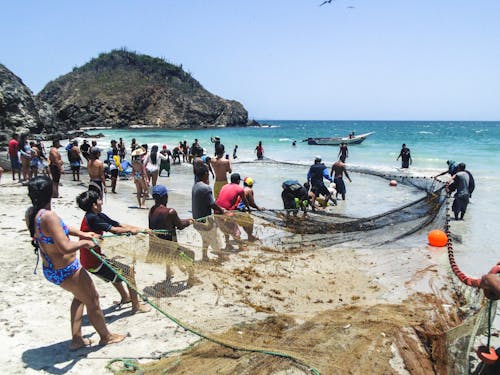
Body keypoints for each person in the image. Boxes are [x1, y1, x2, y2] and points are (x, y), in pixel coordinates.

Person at [26, 176, 126, 350]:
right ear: (51, 193)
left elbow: (62, 229)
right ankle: (106, 337)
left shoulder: (34, 214)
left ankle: (77, 339)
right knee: (93, 299)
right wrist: (85, 243)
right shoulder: (49, 216)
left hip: (52, 269)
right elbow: (65, 247)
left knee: (80, 298)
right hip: (66, 270)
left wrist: (84, 233)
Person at [77, 190, 150, 314]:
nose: (102, 202)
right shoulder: (93, 218)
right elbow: (115, 230)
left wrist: (140, 229)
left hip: (93, 259)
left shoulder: (98, 215)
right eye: (100, 200)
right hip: (93, 262)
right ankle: (136, 306)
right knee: (128, 273)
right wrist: (134, 232)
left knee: (115, 272)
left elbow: (119, 224)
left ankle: (126, 297)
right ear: (94, 205)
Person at [148, 185, 197, 285]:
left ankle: (168, 272)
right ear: (165, 197)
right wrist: (190, 222)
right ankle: (191, 279)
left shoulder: (152, 211)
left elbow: (173, 222)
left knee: (166, 241)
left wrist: (187, 220)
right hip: (169, 249)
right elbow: (180, 226)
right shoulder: (170, 212)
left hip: (155, 247)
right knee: (191, 254)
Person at [192, 165, 225, 260]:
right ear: (206, 174)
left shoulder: (195, 186)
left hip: (196, 219)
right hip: (206, 220)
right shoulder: (206, 188)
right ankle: (221, 256)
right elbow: (212, 204)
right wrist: (222, 210)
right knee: (215, 238)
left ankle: (205, 256)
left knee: (205, 238)